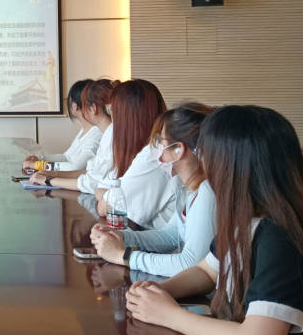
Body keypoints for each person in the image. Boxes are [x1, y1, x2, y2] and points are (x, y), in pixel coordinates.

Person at [126, 105, 303, 335]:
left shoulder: (279, 235)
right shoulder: (245, 217)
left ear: (233, 167)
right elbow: (207, 270)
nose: (203, 166)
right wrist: (160, 292)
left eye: (207, 155)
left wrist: (170, 315)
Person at [91, 103, 217, 276]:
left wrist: (123, 256)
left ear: (178, 149)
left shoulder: (208, 192)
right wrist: (121, 236)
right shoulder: (189, 188)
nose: (157, 150)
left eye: (161, 142)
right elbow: (171, 235)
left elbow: (191, 264)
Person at [93, 79, 178, 229]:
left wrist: (108, 196)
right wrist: (109, 195)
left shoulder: (154, 154)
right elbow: (101, 187)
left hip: (164, 242)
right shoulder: (144, 149)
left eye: (112, 110)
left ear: (126, 118)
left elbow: (105, 207)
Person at [33, 78, 116, 193]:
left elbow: (91, 182)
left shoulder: (105, 134)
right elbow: (89, 172)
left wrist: (48, 178)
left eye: (84, 105)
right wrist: (49, 171)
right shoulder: (106, 133)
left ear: (93, 108)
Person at [21, 79, 101, 173]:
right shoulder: (85, 130)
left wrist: (38, 165)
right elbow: (67, 157)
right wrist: (40, 158)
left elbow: (76, 167)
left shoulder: (97, 133)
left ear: (74, 105)